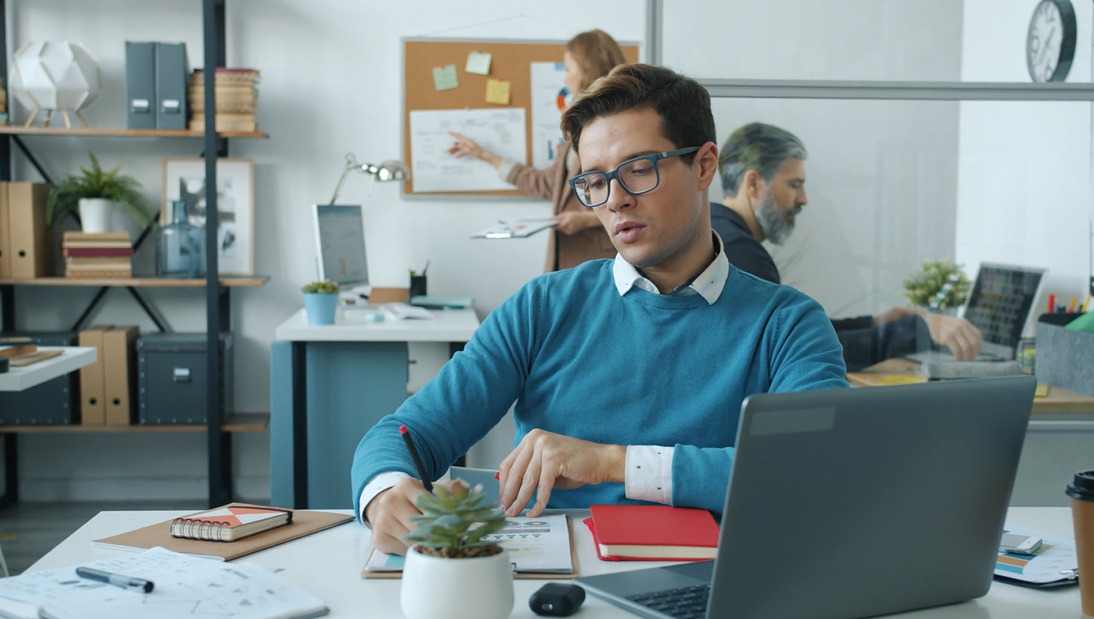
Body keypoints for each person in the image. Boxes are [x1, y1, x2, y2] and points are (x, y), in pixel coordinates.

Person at [353, 64, 849, 556]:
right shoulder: (542, 307)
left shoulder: (790, 324)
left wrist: (614, 463)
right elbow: (406, 433)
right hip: (558, 593)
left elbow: (813, 470)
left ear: (703, 165)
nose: (614, 201)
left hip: (715, 588)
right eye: (594, 181)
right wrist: (384, 492)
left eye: (639, 170)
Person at [714, 122, 983, 370]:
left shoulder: (721, 232)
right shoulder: (743, 255)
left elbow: (798, 332)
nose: (804, 199)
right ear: (753, 183)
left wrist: (874, 324)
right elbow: (804, 350)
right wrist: (917, 330)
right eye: (794, 184)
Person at [447, 29, 626, 271]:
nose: (565, 79)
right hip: (567, 260)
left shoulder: (618, 128)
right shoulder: (576, 126)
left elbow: (635, 197)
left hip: (600, 259)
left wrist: (584, 220)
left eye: (568, 69)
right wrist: (485, 155)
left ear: (587, 71)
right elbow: (548, 184)